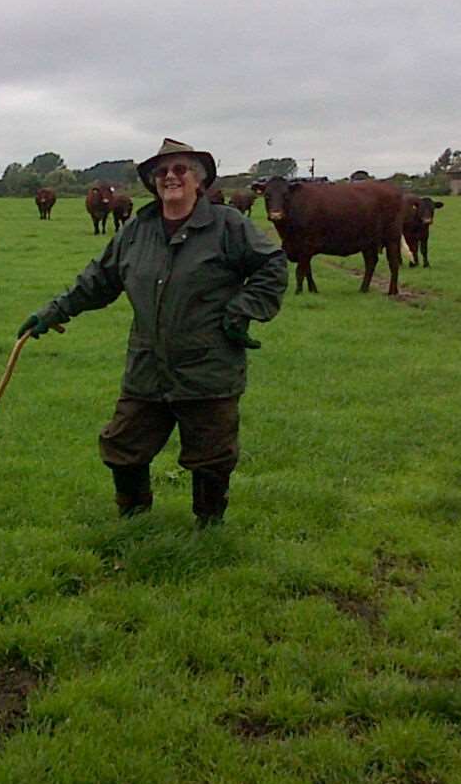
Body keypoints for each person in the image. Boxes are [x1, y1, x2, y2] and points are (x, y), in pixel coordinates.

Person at [18, 138, 288, 525]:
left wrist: (244, 310)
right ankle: (134, 520)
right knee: (123, 445)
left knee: (211, 456)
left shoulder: (228, 225)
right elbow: (99, 280)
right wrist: (52, 312)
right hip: (147, 364)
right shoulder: (136, 230)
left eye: (180, 170)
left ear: (198, 179)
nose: (170, 177)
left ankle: (209, 527)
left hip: (208, 364)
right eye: (161, 172)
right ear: (152, 182)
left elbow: (272, 265)